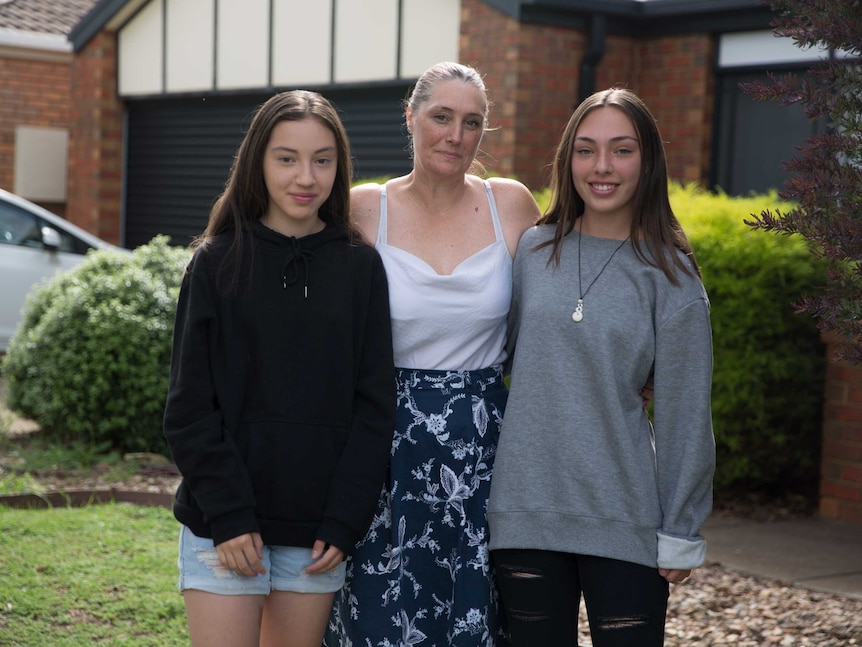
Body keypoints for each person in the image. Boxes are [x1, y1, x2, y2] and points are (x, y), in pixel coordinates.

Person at [163, 90, 396, 647]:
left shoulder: (360, 266)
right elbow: (189, 408)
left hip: (315, 537)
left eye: (322, 159)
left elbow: (374, 408)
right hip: (222, 528)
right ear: (258, 163)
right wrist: (231, 514)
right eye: (286, 157)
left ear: (339, 167)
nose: (305, 176)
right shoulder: (217, 262)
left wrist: (344, 521)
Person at [487, 87, 715, 647]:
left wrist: (680, 528)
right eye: (586, 150)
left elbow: (687, 412)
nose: (602, 167)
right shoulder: (534, 252)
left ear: (648, 160)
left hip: (625, 516)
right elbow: (490, 356)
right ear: (568, 160)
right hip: (524, 512)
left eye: (622, 149)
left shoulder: (672, 276)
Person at [324, 62, 541, 646]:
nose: (456, 135)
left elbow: (562, 310)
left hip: (488, 446)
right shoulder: (364, 208)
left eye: (472, 122)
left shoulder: (511, 205)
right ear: (411, 118)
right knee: (380, 613)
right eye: (441, 117)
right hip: (383, 438)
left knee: (479, 613)